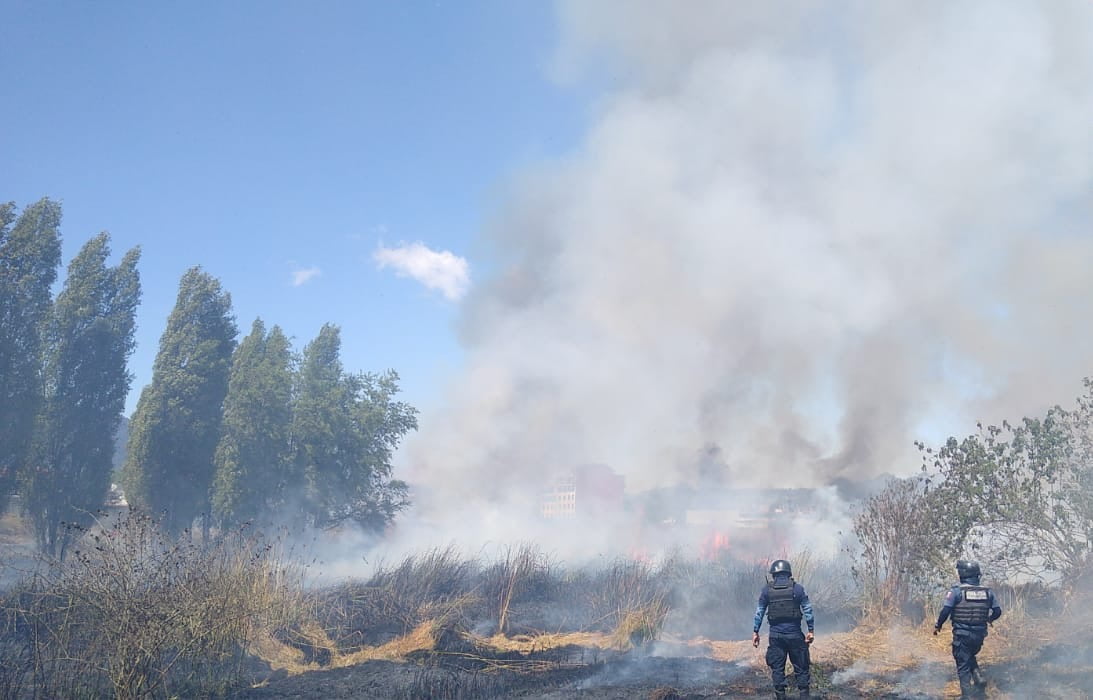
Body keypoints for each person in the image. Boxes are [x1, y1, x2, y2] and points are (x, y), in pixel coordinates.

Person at [933, 559, 1002, 699]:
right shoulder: (987, 592)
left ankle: (966, 695)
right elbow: (998, 611)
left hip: (962, 634)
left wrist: (938, 625)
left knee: (962, 663)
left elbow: (945, 611)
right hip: (980, 636)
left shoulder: (957, 591)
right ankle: (978, 677)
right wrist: (989, 619)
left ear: (962, 574)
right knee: (969, 655)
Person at [752, 559, 815, 699]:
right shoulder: (797, 589)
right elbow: (808, 610)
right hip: (795, 636)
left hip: (776, 637)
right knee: (802, 669)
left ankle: (781, 697)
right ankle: (804, 696)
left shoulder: (766, 591)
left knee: (777, 669)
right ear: (788, 573)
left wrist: (755, 631)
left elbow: (759, 612)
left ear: (773, 574)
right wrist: (811, 630)